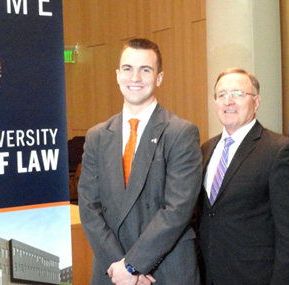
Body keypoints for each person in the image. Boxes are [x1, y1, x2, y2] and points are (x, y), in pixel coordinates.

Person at [78, 38, 202, 285]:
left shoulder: (181, 132)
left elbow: (177, 210)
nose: (135, 77)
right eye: (128, 69)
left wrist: (134, 265)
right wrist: (122, 268)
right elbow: (89, 208)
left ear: (159, 78)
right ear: (117, 76)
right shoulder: (97, 136)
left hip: (164, 270)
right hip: (111, 271)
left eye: (145, 70)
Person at [198, 67, 289, 284]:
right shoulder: (206, 149)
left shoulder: (279, 150)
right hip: (210, 275)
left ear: (256, 102)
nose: (229, 101)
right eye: (222, 95)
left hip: (256, 277)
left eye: (238, 94)